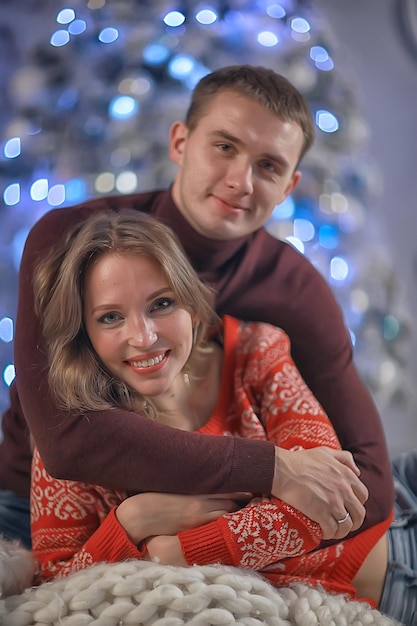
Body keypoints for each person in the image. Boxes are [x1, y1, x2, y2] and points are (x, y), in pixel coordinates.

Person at [1, 64, 392, 549]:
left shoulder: (294, 291)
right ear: (181, 143)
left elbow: (371, 483)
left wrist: (213, 536)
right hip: (26, 518)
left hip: (222, 519)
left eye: (268, 165)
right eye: (225, 147)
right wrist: (274, 469)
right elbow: (67, 438)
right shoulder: (70, 240)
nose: (241, 181)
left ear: (289, 186)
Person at [30, 210, 393, 613]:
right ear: (85, 332)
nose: (144, 337)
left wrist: (179, 552)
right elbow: (53, 593)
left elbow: (328, 494)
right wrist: (132, 520)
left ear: (195, 306)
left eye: (162, 304)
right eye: (110, 317)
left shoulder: (257, 351)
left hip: (395, 571)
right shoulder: (72, 433)